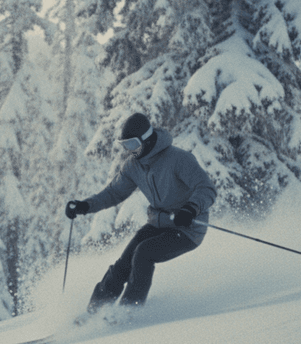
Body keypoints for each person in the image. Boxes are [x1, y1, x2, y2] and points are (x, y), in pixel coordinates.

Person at [65, 113, 216, 315]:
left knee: (144, 253)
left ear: (147, 138)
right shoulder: (134, 166)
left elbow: (206, 188)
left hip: (187, 228)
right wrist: (85, 206)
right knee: (123, 264)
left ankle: (129, 312)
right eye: (125, 145)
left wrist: (191, 209)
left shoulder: (178, 159)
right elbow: (114, 192)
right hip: (159, 223)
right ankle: (94, 312)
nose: (130, 151)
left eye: (133, 145)